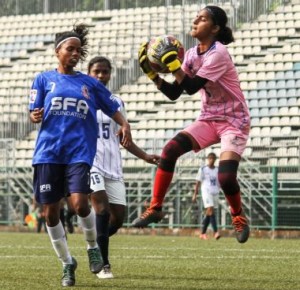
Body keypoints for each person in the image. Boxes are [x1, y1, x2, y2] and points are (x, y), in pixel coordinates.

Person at [132, 5, 251, 244]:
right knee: (170, 150)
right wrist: (153, 76)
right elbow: (176, 92)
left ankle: (238, 217)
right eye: (197, 16)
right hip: (208, 118)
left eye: (203, 18)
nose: (196, 19)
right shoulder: (191, 54)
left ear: (215, 28)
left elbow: (192, 86)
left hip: (233, 121)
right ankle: (155, 208)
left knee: (226, 178)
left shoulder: (218, 53)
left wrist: (173, 66)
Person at [29, 23, 132, 287]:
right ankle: (67, 263)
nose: (75, 54)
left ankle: (91, 247)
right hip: (48, 153)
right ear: (58, 52)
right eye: (70, 49)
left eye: (78, 50)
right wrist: (34, 114)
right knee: (51, 214)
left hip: (79, 153)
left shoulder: (89, 84)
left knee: (81, 205)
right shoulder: (43, 79)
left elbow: (111, 106)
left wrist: (124, 123)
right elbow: (33, 110)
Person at [87, 56, 160, 279]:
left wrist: (145, 156)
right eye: (96, 71)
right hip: (91, 163)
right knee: (101, 210)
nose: (101, 75)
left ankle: (94, 248)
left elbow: (123, 138)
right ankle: (104, 265)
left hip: (114, 166)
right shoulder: (82, 99)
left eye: (105, 72)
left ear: (110, 74)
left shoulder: (117, 102)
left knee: (117, 220)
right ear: (89, 73)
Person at [192, 152, 221, 240]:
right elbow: (198, 182)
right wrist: (195, 194)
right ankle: (216, 232)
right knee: (210, 210)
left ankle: (202, 233)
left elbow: (219, 182)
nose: (211, 160)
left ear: (215, 160)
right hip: (206, 191)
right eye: (210, 158)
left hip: (215, 192)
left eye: (213, 158)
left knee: (209, 212)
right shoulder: (203, 169)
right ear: (208, 159)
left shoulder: (217, 170)